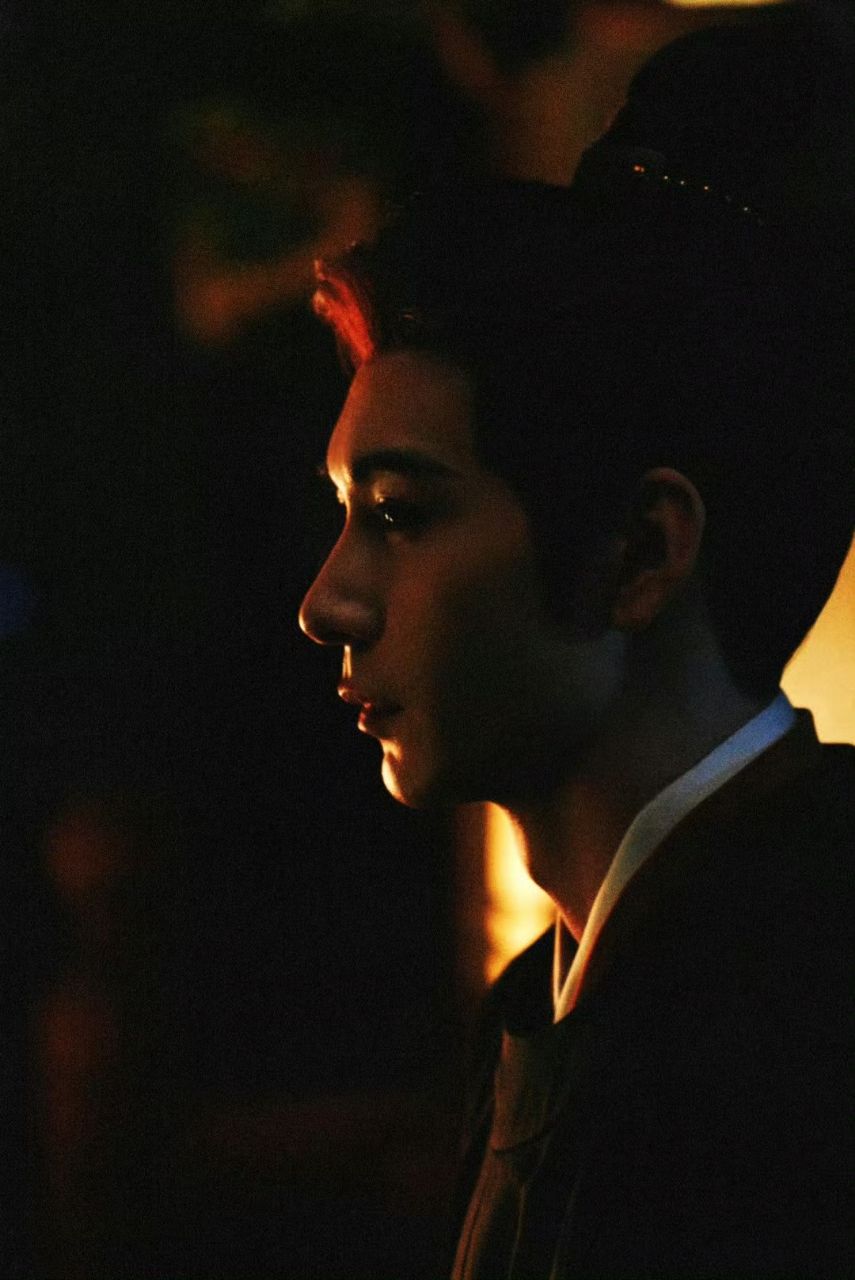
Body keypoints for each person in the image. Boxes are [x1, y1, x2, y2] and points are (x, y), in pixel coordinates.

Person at [297, 160, 853, 1277]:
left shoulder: (802, 1003)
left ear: (641, 551)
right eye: (347, 513)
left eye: (400, 513)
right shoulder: (544, 998)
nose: (326, 603)